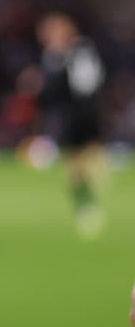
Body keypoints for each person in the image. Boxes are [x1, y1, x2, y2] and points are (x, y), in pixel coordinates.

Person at [36, 12, 107, 238]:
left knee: (84, 159)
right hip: (69, 113)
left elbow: (85, 85)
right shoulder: (56, 54)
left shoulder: (80, 50)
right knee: (75, 163)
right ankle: (87, 203)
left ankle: (90, 203)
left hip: (82, 112)